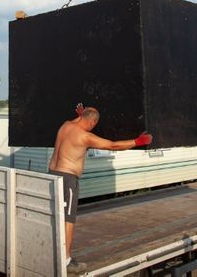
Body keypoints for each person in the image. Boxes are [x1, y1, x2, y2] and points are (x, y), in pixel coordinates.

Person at [49, 103, 152, 270]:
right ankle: (66, 260)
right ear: (92, 123)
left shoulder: (65, 125)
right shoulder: (85, 136)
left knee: (56, 216)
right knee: (68, 219)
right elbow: (113, 145)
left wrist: (82, 115)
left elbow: (80, 120)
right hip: (67, 179)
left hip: (52, 174)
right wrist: (137, 141)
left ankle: (56, 252)